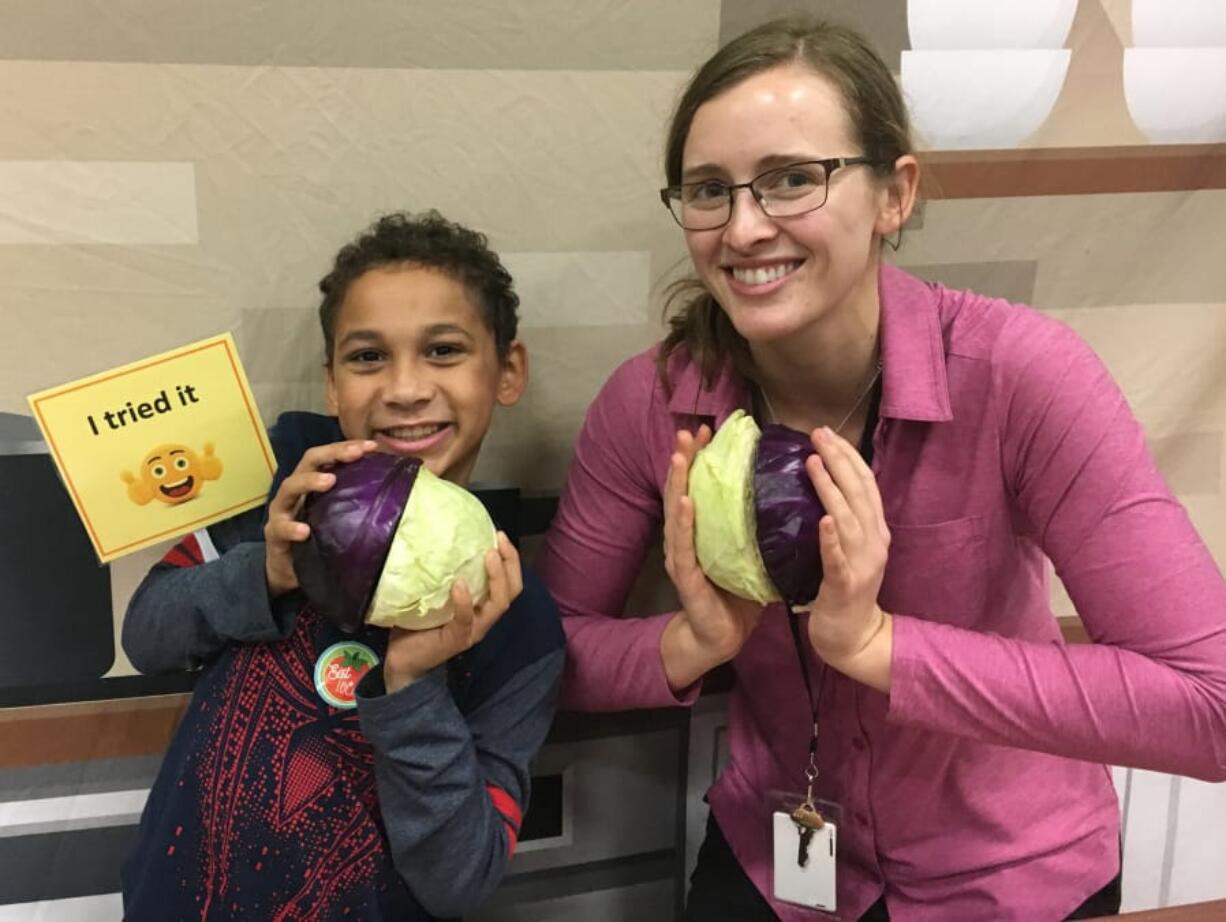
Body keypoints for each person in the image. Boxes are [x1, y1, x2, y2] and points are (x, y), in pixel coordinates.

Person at [537, 17, 1226, 922]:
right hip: (776, 865)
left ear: (893, 194)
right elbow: (545, 657)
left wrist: (879, 648)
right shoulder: (652, 405)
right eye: (710, 190)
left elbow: (1207, 707)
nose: (744, 229)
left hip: (1009, 878)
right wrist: (692, 644)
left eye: (793, 179)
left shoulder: (1021, 377)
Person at [120, 211, 565, 921]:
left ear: (507, 371)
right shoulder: (277, 490)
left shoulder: (517, 618)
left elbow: (460, 880)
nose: (405, 388)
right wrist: (268, 571)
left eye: (444, 350)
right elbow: (146, 636)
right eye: (367, 358)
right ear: (331, 384)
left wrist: (414, 681)